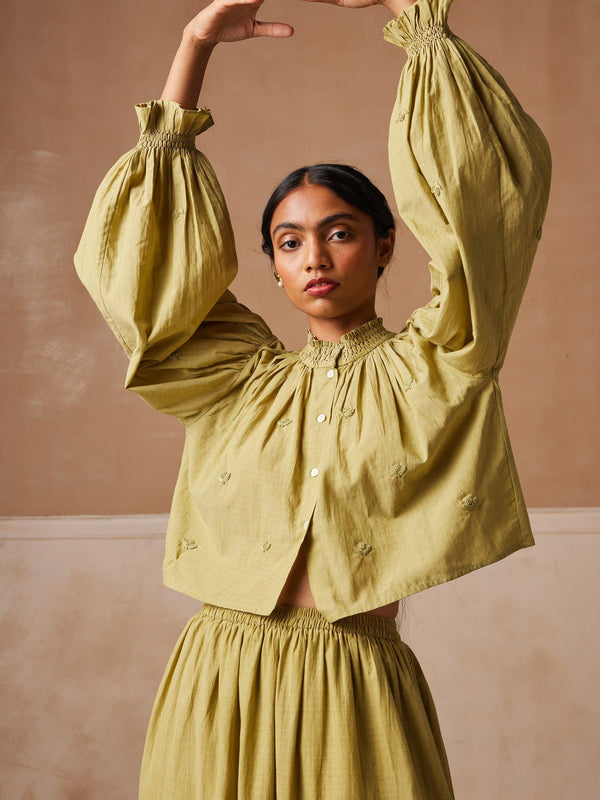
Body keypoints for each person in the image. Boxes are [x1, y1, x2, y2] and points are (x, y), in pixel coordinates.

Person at [74, 0, 551, 796]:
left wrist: (419, 21)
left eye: (340, 231)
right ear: (272, 264)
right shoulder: (235, 380)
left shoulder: (433, 366)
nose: (315, 257)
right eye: (290, 242)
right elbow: (143, 275)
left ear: (384, 244)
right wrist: (194, 46)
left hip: (357, 687)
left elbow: (483, 216)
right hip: (218, 681)